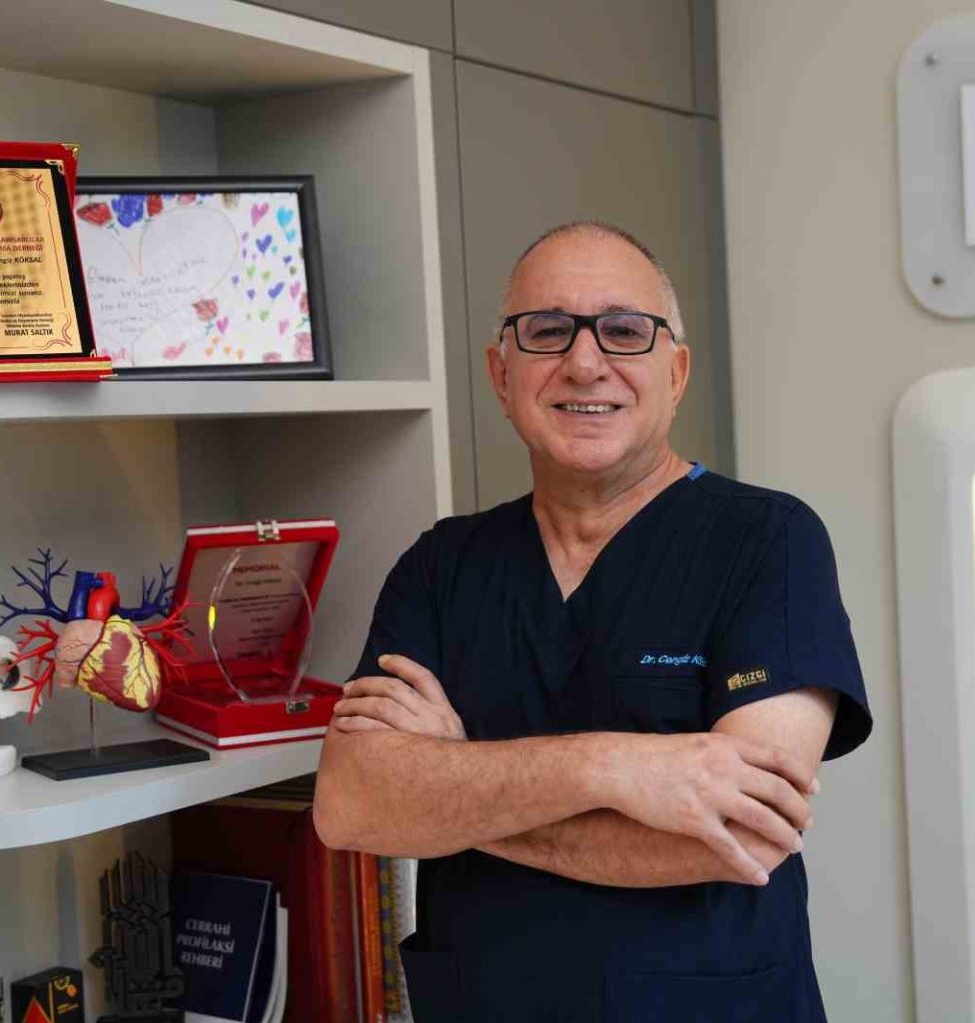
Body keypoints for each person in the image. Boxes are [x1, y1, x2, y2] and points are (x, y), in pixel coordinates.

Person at [312, 221, 872, 1021]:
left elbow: (747, 832)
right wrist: (613, 767)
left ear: (675, 371)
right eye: (547, 331)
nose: (584, 361)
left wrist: (455, 788)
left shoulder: (769, 541)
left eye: (624, 330)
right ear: (500, 374)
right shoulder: (443, 565)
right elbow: (350, 805)